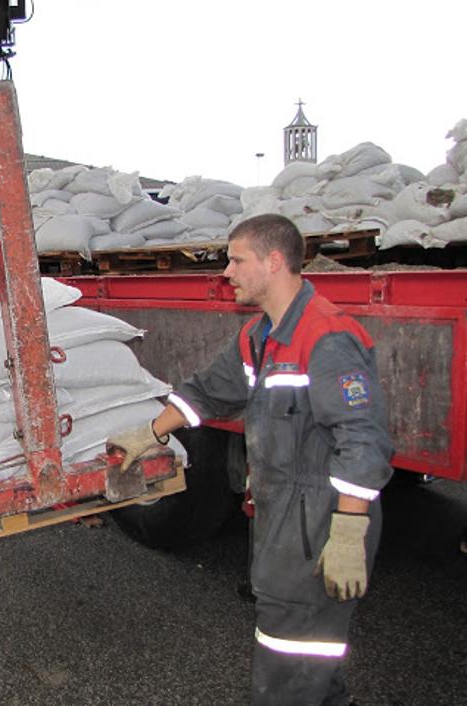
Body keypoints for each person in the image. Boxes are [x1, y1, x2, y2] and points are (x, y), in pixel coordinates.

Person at [107, 214, 393, 706]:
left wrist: (348, 530)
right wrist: (148, 434)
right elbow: (210, 391)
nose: (228, 272)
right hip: (284, 515)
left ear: (275, 261)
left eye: (237, 260)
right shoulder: (261, 337)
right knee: (310, 660)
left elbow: (363, 439)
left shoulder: (325, 338)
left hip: (319, 521)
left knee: (290, 660)